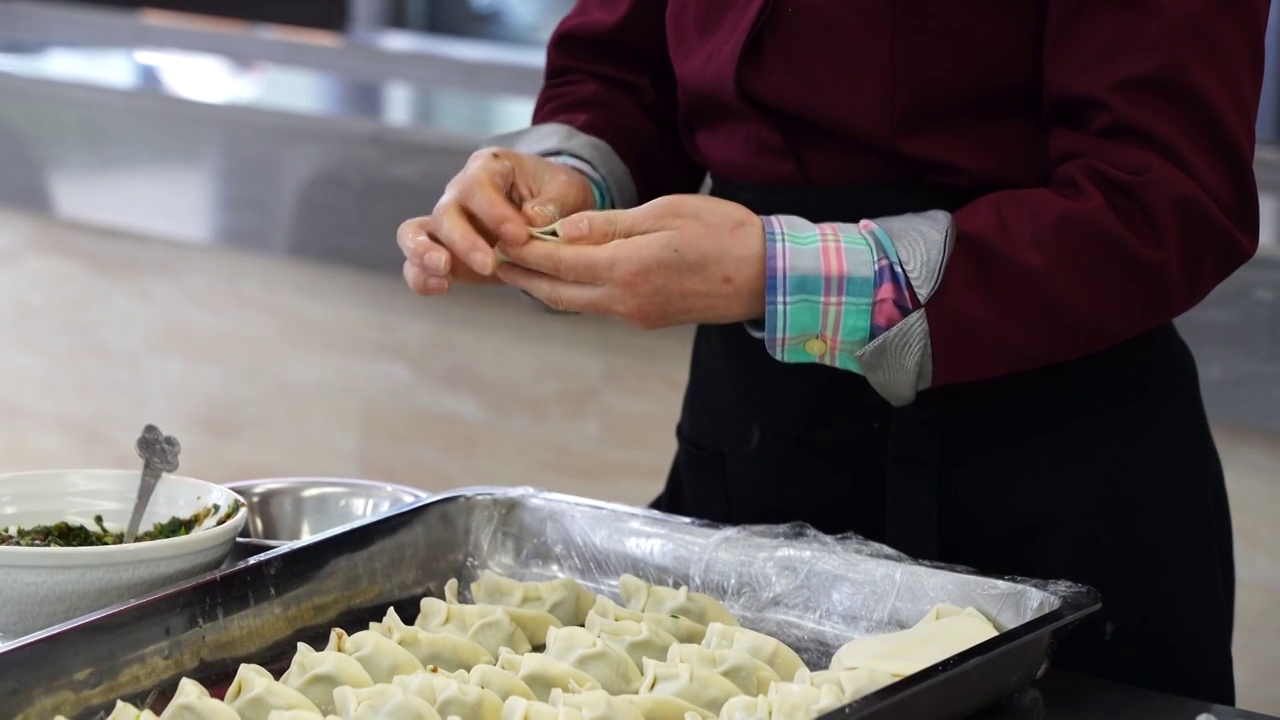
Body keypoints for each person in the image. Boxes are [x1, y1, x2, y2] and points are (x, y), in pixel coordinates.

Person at [397, 1, 1269, 706]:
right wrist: (567, 180)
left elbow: (1165, 199)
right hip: (756, 447)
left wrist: (780, 273)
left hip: (1050, 471)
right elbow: (626, 65)